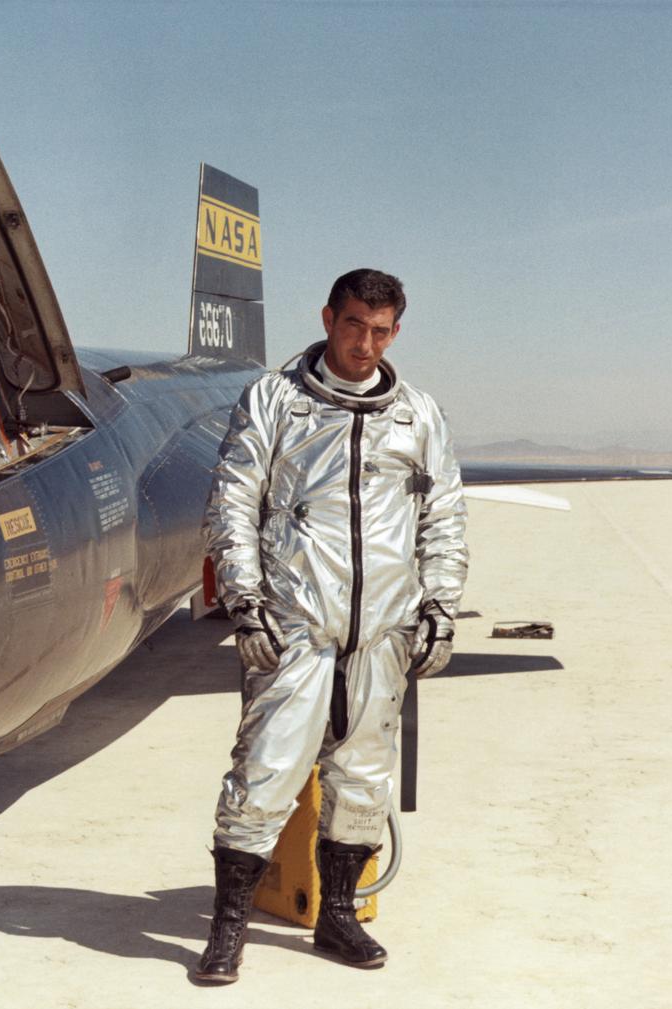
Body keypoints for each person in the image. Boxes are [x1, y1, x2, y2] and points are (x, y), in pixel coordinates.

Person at [195, 268, 468, 983]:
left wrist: (439, 606)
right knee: (264, 773)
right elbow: (232, 500)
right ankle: (227, 929)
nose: (365, 344)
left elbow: (443, 517)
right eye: (353, 326)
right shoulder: (276, 402)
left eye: (380, 331)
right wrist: (244, 598)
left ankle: (337, 914)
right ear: (327, 318)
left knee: (363, 777)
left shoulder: (417, 416)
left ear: (396, 332)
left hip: (381, 629)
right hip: (295, 624)